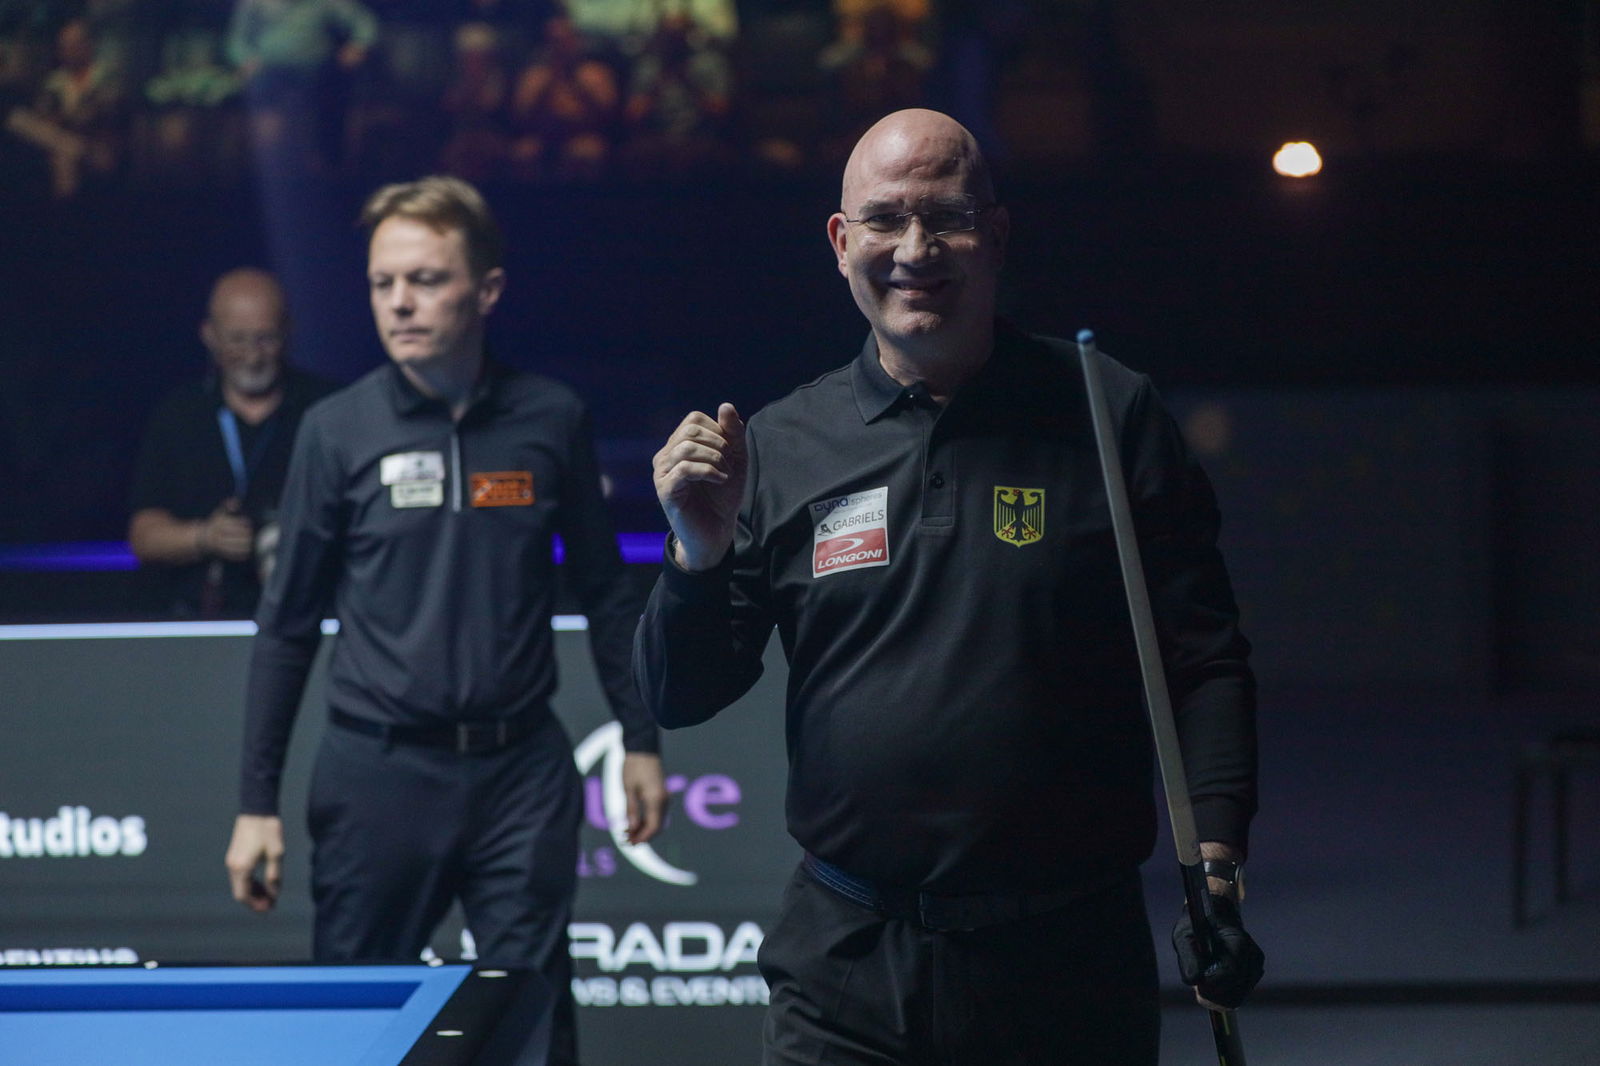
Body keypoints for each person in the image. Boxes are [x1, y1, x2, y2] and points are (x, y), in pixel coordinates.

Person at [635, 108, 1263, 1065]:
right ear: (841, 243)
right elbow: (681, 694)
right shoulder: (781, 444)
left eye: (949, 217)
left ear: (997, 234)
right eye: (885, 219)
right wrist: (697, 552)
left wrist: (1214, 866)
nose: (915, 249)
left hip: (1065, 961)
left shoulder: (1108, 412)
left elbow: (1204, 661)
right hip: (846, 964)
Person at [224, 176, 666, 1066]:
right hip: (377, 774)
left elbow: (608, 591)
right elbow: (288, 623)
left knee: (534, 1025)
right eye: (383, 283)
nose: (399, 303)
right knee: (357, 1029)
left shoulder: (551, 419)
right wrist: (255, 804)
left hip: (520, 774)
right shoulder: (337, 431)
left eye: (425, 280)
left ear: (486, 290)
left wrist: (641, 738)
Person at [128, 268, 334, 619]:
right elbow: (143, 536)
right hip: (198, 620)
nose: (253, 356)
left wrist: (301, 541)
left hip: (307, 615)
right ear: (210, 336)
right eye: (237, 340)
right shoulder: (180, 414)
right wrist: (205, 537)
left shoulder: (328, 411)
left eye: (265, 339)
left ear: (288, 332)